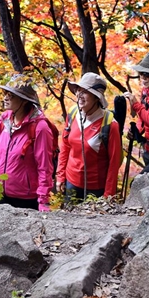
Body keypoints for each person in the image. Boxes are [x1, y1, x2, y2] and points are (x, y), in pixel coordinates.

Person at [0, 76, 54, 211]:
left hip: (25, 199)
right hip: (0, 193)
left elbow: (44, 166)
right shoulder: (5, 119)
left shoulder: (39, 127)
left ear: (23, 100)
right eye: (5, 94)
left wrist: (43, 200)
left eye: (11, 96)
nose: (5, 98)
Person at [56, 72, 122, 201]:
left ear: (97, 97)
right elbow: (65, 146)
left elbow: (114, 163)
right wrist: (60, 175)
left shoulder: (109, 124)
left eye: (85, 92)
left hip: (96, 189)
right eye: (78, 90)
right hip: (71, 183)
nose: (79, 95)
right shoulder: (73, 114)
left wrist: (108, 195)